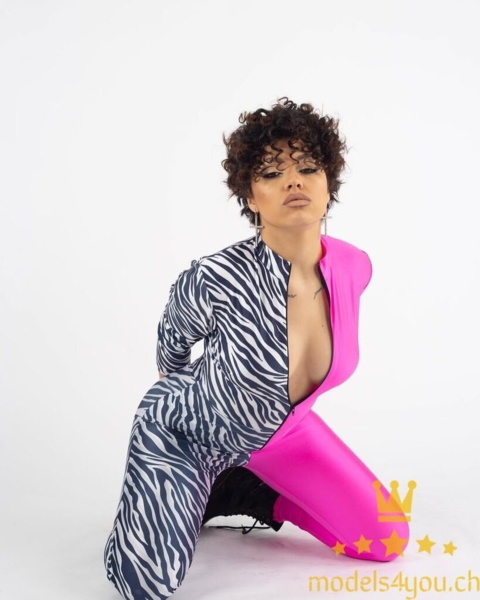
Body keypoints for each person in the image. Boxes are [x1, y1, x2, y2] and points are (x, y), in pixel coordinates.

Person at [103, 97, 410, 600]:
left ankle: (240, 491)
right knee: (146, 586)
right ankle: (190, 484)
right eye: (272, 173)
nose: (294, 182)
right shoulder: (215, 277)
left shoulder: (354, 267)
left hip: (284, 434)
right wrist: (191, 412)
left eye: (308, 168)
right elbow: (172, 348)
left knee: (385, 540)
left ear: (328, 183)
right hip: (190, 431)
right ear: (250, 195)